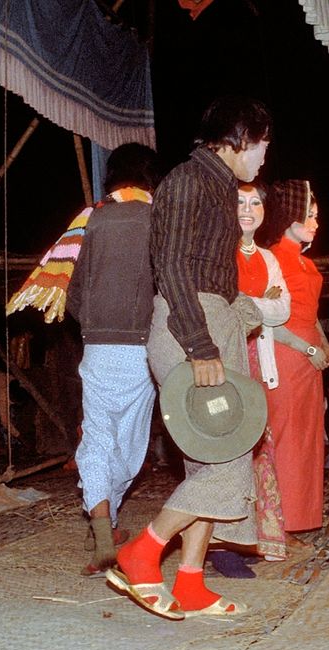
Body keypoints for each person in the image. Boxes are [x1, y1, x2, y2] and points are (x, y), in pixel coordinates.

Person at [107, 95, 272, 620]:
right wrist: (202, 345)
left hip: (211, 321)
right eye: (263, 145)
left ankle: (192, 581)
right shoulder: (186, 182)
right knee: (226, 462)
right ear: (239, 140)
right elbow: (173, 267)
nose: (265, 157)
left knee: (216, 455)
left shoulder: (219, 188)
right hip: (188, 328)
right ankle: (142, 552)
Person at [64, 142, 161, 577]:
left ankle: (105, 525)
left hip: (98, 345)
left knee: (97, 439)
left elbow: (70, 288)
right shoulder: (159, 218)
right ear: (149, 178)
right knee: (130, 446)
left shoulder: (91, 219)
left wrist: (89, 320)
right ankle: (109, 519)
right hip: (142, 348)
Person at [206, 181, 293, 578]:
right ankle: (220, 543)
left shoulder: (268, 257)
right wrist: (258, 301)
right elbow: (220, 305)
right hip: (224, 361)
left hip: (259, 361)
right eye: (239, 201)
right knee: (224, 447)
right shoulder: (215, 251)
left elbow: (282, 311)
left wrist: (246, 301)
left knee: (257, 448)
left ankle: (251, 536)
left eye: (255, 202)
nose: (248, 208)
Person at [255, 178, 329, 546]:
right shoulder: (273, 257)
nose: (316, 223)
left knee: (307, 439)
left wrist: (324, 343)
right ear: (288, 218)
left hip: (310, 359)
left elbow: (311, 313)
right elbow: (270, 320)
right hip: (285, 355)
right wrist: (308, 349)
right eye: (309, 216)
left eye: (317, 215)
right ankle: (276, 523)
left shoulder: (303, 261)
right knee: (284, 438)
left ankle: (298, 520)